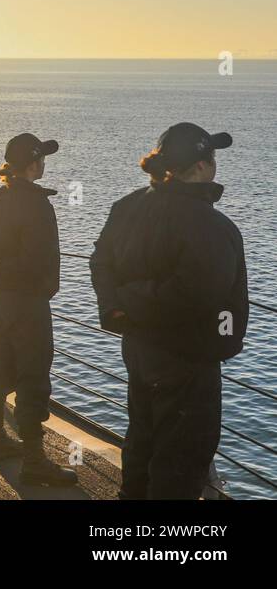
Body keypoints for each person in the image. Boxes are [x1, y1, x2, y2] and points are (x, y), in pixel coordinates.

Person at [90, 123, 247, 500]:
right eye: (211, 157)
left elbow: (100, 262)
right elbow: (199, 293)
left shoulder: (127, 206)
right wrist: (134, 302)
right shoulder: (210, 223)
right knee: (181, 459)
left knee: (142, 439)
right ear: (202, 165)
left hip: (139, 348)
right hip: (188, 357)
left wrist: (118, 307)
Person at [0, 134, 76, 485]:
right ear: (32, 163)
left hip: (0, 300)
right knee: (33, 376)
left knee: (3, 366)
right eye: (42, 158)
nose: (45, 163)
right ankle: (34, 460)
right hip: (28, 301)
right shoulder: (35, 204)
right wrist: (6, 272)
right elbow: (37, 259)